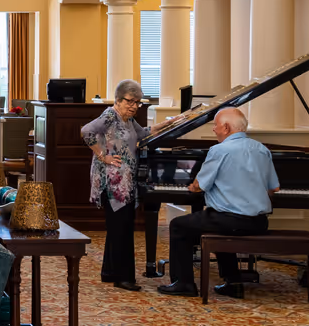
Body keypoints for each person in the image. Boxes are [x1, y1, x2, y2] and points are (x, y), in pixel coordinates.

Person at [157, 106, 278, 298]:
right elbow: (273, 189)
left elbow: (198, 186)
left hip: (229, 220)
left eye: (216, 126)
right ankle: (233, 282)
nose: (214, 129)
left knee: (179, 225)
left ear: (227, 128)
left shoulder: (219, 150)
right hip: (259, 222)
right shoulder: (262, 149)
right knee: (216, 224)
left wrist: (192, 187)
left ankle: (184, 283)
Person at [81, 79, 147, 291]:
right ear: (118, 100)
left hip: (124, 181)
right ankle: (123, 277)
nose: (134, 106)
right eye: (130, 101)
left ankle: (110, 272)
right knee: (122, 228)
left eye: (138, 102)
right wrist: (103, 156)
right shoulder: (110, 115)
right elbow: (86, 131)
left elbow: (144, 133)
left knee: (120, 226)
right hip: (114, 182)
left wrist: (172, 122)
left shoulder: (128, 120)